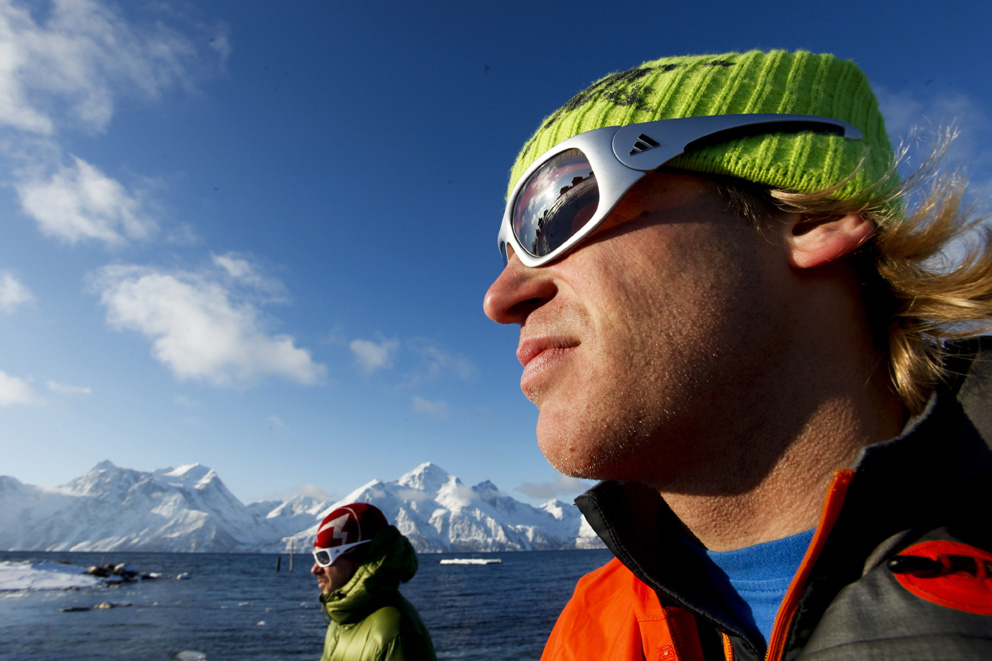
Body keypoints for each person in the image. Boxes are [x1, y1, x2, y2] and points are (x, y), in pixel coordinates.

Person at [483, 50, 992, 660]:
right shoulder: (591, 631)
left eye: (554, 212)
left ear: (811, 214)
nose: (501, 296)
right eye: (507, 247)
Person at [311, 502, 436, 661]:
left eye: (324, 558)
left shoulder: (396, 632)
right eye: (316, 556)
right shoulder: (342, 619)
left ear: (358, 558)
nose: (315, 569)